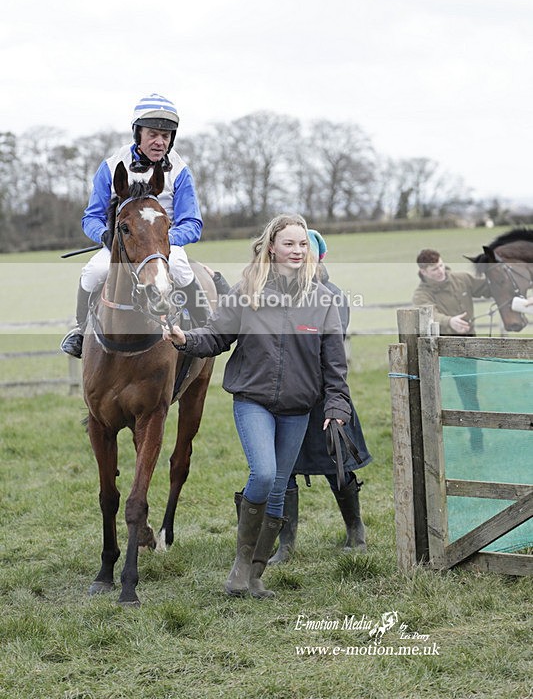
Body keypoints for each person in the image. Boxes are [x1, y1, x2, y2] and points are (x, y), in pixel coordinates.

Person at [163, 214, 352, 599]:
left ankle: (254, 575)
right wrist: (185, 339)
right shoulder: (247, 289)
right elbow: (217, 335)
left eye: (303, 245)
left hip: (299, 406)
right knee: (264, 475)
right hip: (253, 400)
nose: (297, 251)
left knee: (279, 489)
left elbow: (334, 362)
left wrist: (337, 405)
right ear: (272, 247)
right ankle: (240, 564)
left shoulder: (323, 300)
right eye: (289, 244)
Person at [60, 93, 208, 358]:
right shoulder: (110, 166)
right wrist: (106, 235)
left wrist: (159, 239)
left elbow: (193, 223)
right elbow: (90, 217)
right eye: (153, 134)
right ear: (137, 133)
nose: (160, 141)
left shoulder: (181, 171)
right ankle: (81, 331)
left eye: (166, 135)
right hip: (122, 244)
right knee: (93, 271)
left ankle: (204, 326)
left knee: (180, 268)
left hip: (165, 245)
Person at [267, 229, 372, 565]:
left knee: (337, 465)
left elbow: (329, 347)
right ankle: (287, 544)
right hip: (285, 395)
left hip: (325, 396)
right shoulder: (270, 291)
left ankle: (356, 530)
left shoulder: (331, 295)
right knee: (285, 469)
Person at [412, 248, 491, 451]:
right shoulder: (421, 294)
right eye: (433, 269)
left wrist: (516, 293)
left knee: (469, 395)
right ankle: (430, 445)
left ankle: (477, 442)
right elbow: (430, 315)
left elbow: (490, 288)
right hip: (436, 351)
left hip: (465, 348)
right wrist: (450, 322)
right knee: (428, 395)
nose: (439, 271)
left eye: (440, 265)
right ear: (423, 272)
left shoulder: (462, 279)